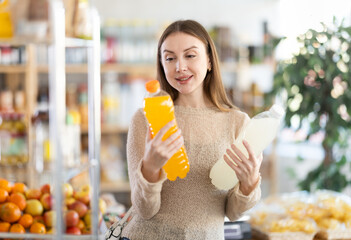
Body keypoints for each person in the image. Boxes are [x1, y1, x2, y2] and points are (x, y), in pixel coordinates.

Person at [121, 19, 263, 239]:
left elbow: (233, 213)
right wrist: (150, 168)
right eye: (170, 58)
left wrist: (249, 183)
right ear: (162, 64)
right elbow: (144, 210)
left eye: (190, 55)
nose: (180, 67)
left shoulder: (238, 123)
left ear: (208, 61)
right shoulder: (145, 119)